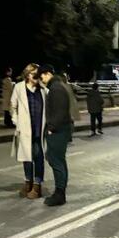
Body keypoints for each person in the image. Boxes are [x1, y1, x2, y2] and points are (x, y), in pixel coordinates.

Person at [12, 63, 48, 199]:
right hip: (25, 129)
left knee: (38, 156)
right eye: (34, 74)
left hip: (39, 128)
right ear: (27, 75)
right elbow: (13, 106)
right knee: (26, 157)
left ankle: (37, 185)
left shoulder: (43, 89)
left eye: (38, 74)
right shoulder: (19, 87)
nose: (37, 77)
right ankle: (28, 182)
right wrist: (17, 122)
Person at [39, 65, 72, 206]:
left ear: (47, 74)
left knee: (56, 161)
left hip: (58, 131)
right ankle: (60, 192)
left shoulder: (56, 89)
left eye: (42, 77)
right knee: (59, 160)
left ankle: (60, 194)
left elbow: (60, 111)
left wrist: (51, 128)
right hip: (61, 130)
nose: (42, 81)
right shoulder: (59, 86)